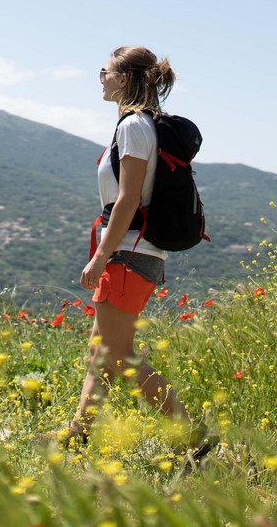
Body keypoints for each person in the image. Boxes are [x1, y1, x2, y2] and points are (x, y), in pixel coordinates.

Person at [55, 46, 217, 466]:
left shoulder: (133, 126)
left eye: (105, 71)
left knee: (119, 354)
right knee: (102, 351)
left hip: (129, 250)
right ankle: (77, 435)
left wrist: (101, 255)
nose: (101, 77)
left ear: (124, 78)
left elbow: (127, 200)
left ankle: (189, 430)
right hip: (135, 250)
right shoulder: (143, 126)